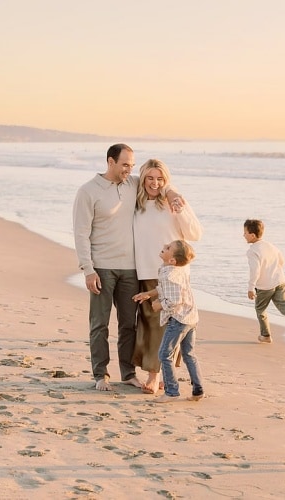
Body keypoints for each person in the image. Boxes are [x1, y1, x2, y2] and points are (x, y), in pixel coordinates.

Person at [73, 144, 183, 391]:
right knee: (99, 323)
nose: (129, 170)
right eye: (125, 165)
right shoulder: (88, 191)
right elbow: (81, 233)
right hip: (101, 268)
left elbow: (157, 182)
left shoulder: (132, 184)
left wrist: (173, 194)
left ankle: (127, 373)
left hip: (130, 268)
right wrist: (88, 269)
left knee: (128, 324)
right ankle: (100, 374)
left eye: (132, 166)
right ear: (110, 162)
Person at [132, 159, 203, 395]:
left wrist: (176, 202)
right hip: (147, 271)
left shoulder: (174, 202)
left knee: (173, 326)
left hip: (174, 275)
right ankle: (159, 374)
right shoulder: (137, 202)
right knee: (152, 326)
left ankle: (156, 376)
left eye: (160, 178)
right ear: (142, 178)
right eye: (150, 178)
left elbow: (195, 233)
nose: (155, 183)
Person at [133, 240, 204, 403]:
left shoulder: (169, 274)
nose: (163, 247)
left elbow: (174, 300)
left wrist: (159, 305)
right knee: (189, 354)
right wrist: (148, 294)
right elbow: (164, 289)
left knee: (165, 354)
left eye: (167, 248)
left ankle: (172, 392)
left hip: (179, 320)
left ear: (172, 260)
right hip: (191, 317)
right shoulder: (178, 270)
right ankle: (198, 389)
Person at [243, 219, 285, 344]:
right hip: (280, 281)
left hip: (265, 286)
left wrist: (251, 287)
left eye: (245, 233)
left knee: (260, 309)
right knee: (284, 306)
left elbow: (255, 271)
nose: (243, 235)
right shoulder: (271, 246)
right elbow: (281, 261)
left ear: (252, 235)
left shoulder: (252, 251)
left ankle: (266, 335)